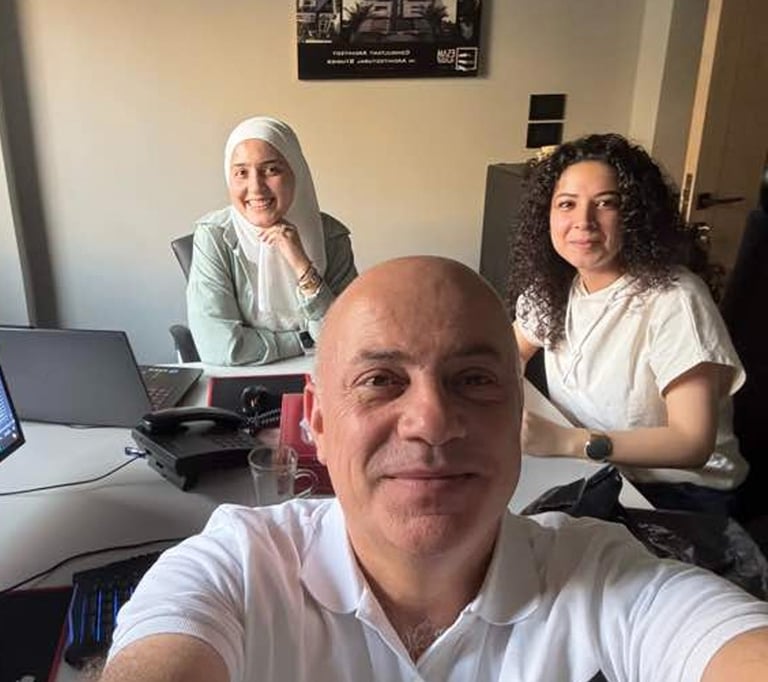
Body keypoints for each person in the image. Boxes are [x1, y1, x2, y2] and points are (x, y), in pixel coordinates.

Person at [100, 256, 768, 681]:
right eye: (380, 380)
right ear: (318, 425)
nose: (431, 420)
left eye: (473, 379)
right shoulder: (238, 568)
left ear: (518, 416)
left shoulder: (605, 579)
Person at [508, 133, 746, 516]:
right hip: (597, 470)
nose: (583, 221)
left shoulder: (675, 299)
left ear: (636, 215)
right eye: (567, 204)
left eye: (606, 203)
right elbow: (505, 355)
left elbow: (692, 442)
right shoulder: (556, 286)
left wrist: (565, 441)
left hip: (676, 494)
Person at [186, 116, 357, 366]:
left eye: (271, 170)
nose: (256, 188)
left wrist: (302, 265)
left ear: (296, 172)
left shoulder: (331, 236)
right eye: (241, 173)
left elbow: (346, 340)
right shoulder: (214, 236)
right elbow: (222, 347)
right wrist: (303, 341)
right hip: (243, 379)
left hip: (325, 373)